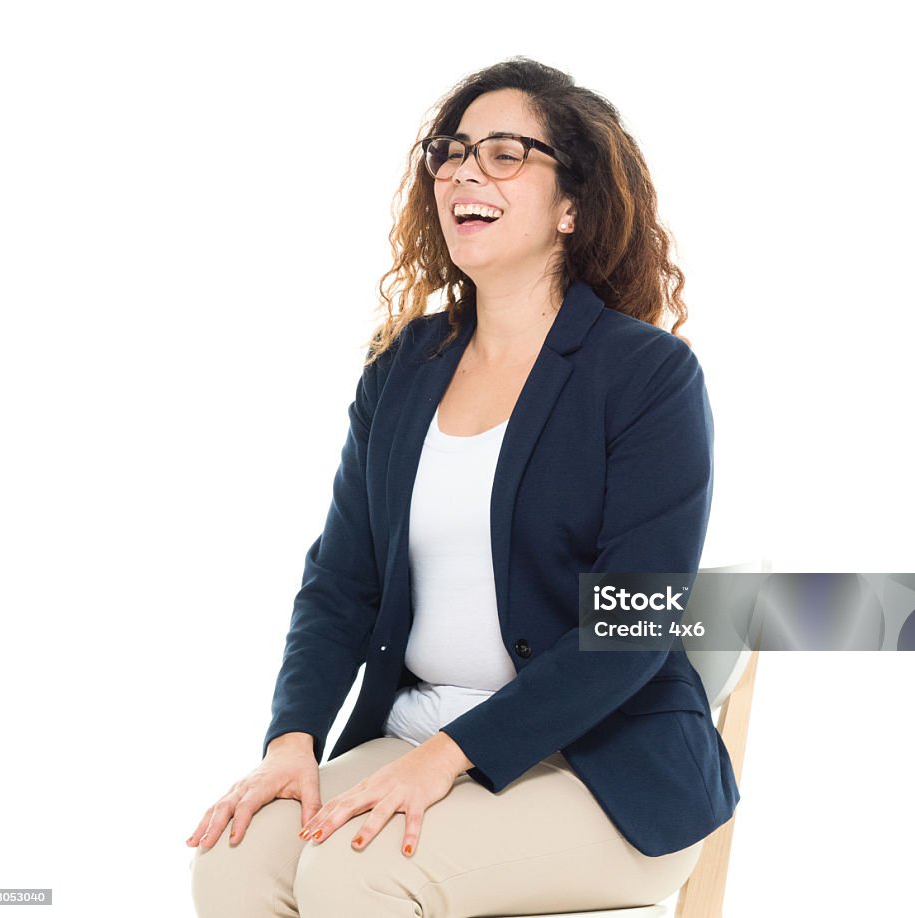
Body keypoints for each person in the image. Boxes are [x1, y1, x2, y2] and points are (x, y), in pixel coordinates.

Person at [188, 56, 740, 917]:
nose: (464, 171)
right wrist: (291, 741)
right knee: (234, 860)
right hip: (413, 737)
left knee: (358, 873)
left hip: (602, 772)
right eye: (451, 151)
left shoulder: (646, 376)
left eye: (505, 153)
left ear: (572, 205)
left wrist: (449, 754)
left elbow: (630, 630)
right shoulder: (405, 367)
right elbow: (342, 584)